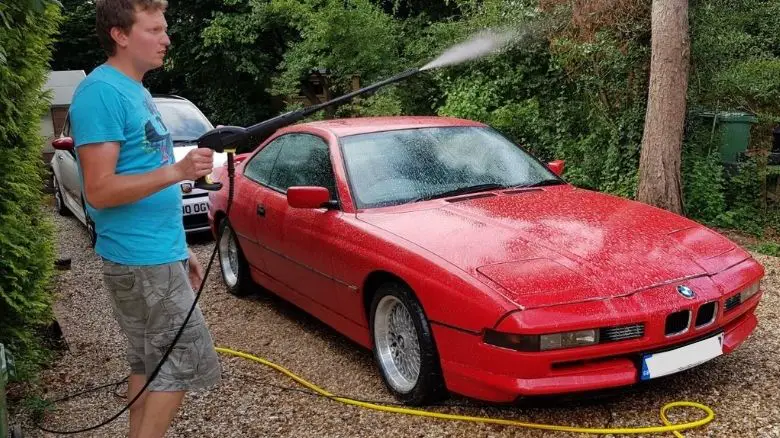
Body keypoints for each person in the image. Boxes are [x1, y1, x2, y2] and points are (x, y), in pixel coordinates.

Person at [68, 0, 221, 436]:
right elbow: (99, 189)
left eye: (164, 28)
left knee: (149, 359)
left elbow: (141, 176)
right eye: (154, 29)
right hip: (141, 260)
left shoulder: (135, 90)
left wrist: (181, 249)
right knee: (186, 357)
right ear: (120, 35)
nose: (166, 38)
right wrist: (178, 170)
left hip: (157, 255)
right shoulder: (102, 94)